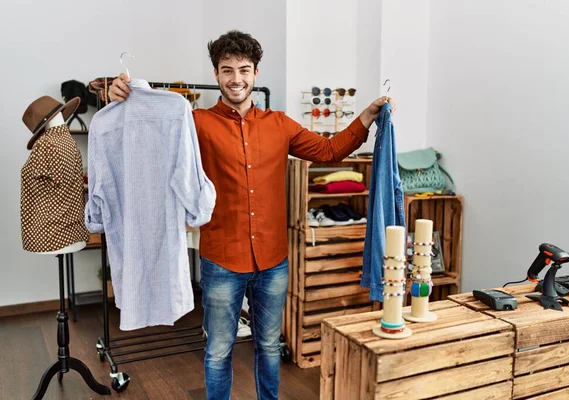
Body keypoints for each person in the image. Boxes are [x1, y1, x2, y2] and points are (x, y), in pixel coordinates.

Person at [109, 30, 395, 400]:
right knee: (218, 351)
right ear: (216, 74)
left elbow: (328, 151)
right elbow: (146, 135)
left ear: (256, 73)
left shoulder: (280, 124)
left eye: (244, 69)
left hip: (273, 260)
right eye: (227, 70)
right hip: (222, 259)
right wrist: (122, 99)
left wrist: (367, 116)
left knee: (269, 347)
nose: (236, 79)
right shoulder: (194, 123)